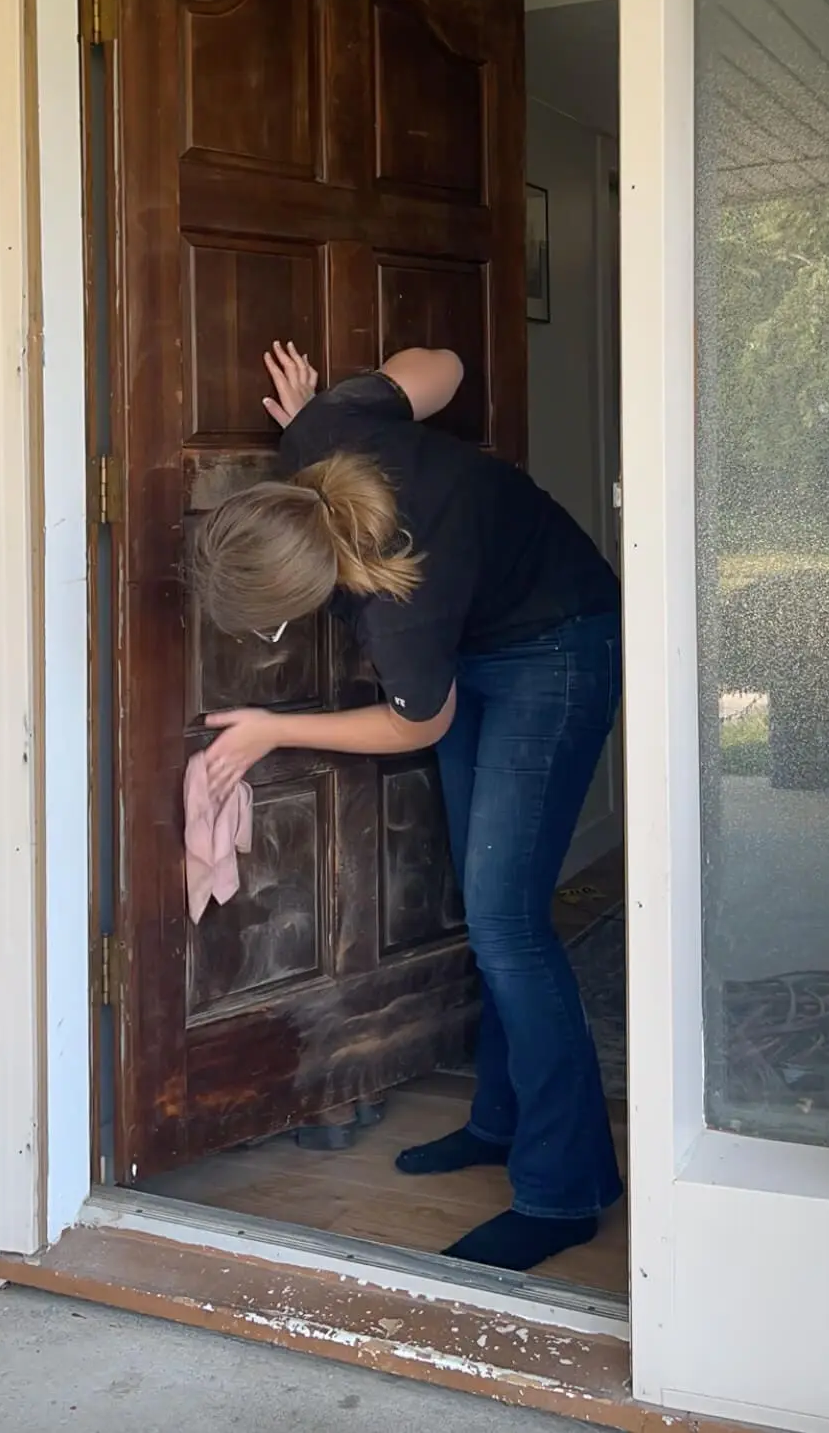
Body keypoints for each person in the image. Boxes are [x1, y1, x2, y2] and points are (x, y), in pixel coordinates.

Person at [196, 340, 622, 1273]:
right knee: (491, 910)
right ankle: (503, 1122)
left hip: (559, 643)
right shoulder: (320, 434)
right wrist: (344, 395)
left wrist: (276, 728)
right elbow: (447, 369)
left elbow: (416, 723)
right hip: (482, 641)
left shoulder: (397, 604)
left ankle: (566, 1193)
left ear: (310, 594)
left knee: (510, 924)